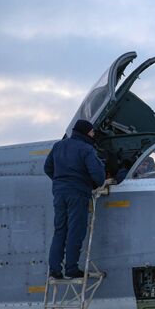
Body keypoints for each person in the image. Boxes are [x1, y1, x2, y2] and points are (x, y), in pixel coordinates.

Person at [44, 119, 106, 279]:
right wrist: (91, 184)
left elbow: (47, 168)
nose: (94, 135)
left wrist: (60, 182)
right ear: (86, 132)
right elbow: (98, 176)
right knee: (75, 231)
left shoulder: (59, 146)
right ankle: (71, 268)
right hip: (77, 193)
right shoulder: (86, 149)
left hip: (59, 193)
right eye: (92, 132)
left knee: (60, 231)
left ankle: (54, 270)